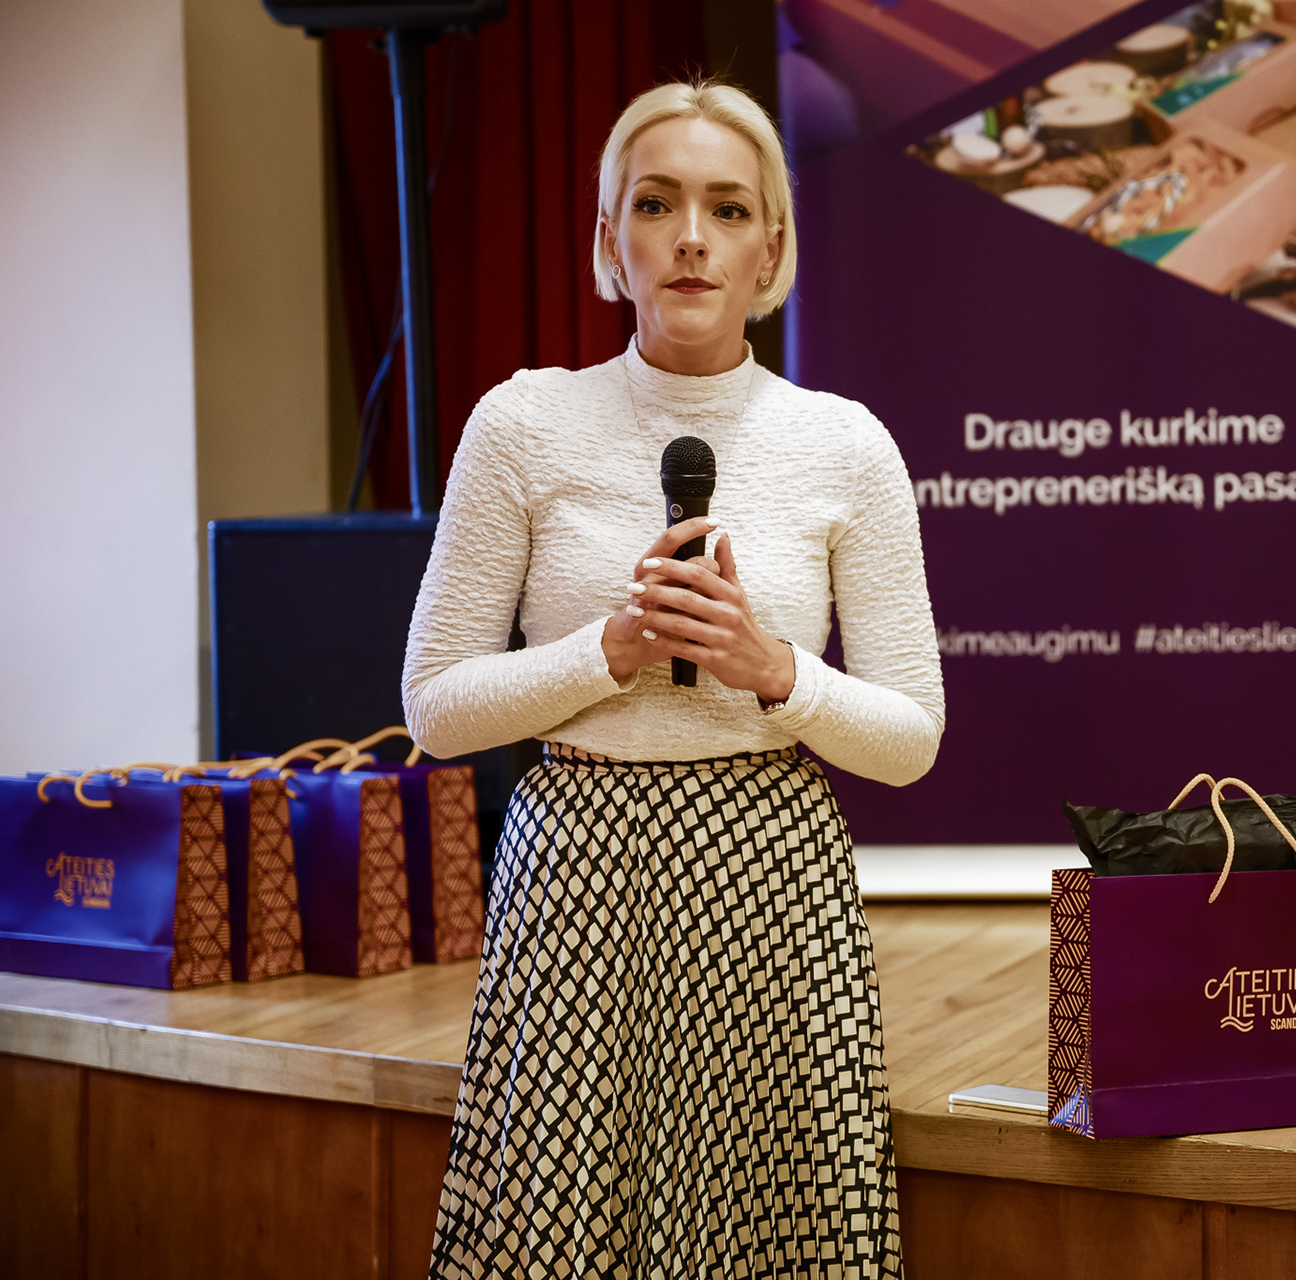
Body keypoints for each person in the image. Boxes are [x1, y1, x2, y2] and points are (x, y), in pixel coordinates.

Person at [403, 79, 943, 1278]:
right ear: (610, 241)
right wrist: (611, 648)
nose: (692, 236)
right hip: (574, 870)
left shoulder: (846, 442)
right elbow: (434, 706)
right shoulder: (523, 424)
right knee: (563, 1230)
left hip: (771, 875)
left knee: (768, 1236)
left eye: (728, 209)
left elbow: (911, 737)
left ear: (772, 249)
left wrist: (776, 671)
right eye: (656, 204)